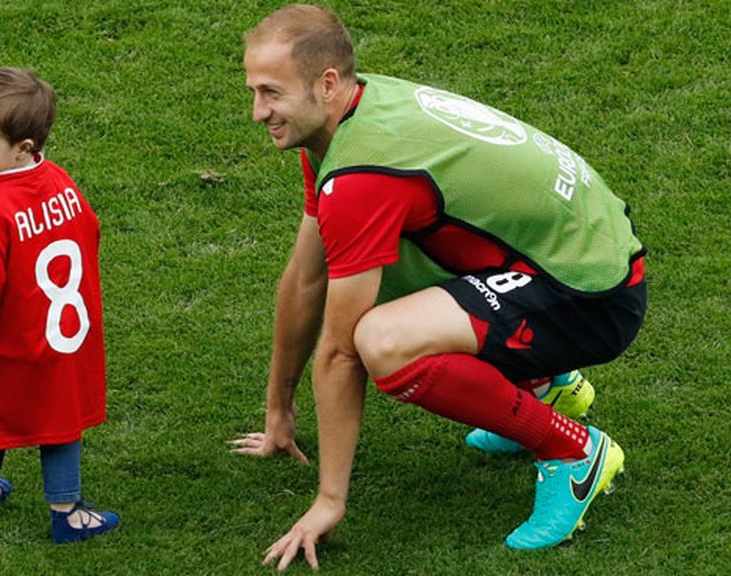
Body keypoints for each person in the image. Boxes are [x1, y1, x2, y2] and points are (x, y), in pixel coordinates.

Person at [228, 4, 646, 571]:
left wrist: (329, 501)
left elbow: (340, 350)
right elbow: (307, 276)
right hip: (574, 250)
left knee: (381, 338)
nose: (258, 112)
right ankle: (545, 382)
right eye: (254, 91)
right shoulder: (353, 113)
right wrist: (279, 411)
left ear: (326, 84)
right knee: (369, 261)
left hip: (592, 296)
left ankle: (574, 450)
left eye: (271, 93)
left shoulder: (362, 176)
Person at [0, 67, 119, 543]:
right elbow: (90, 231)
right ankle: (67, 510)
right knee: (59, 416)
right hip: (66, 335)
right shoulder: (60, 182)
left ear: (23, 148)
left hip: (14, 340)